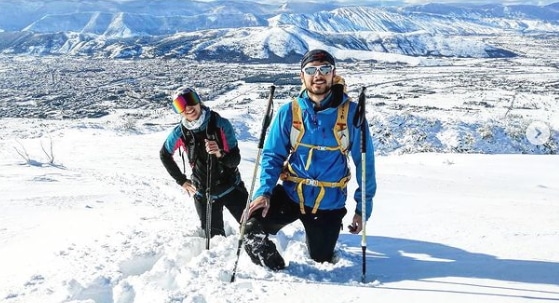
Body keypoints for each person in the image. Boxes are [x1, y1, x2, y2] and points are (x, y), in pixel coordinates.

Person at [243, 49, 377, 270]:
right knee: (250, 229)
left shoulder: (351, 114)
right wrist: (263, 192)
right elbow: (272, 156)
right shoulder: (290, 112)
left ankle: (319, 238)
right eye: (311, 70)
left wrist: (363, 210)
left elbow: (365, 164)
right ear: (301, 76)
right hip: (291, 195)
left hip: (329, 203)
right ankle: (277, 270)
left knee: (321, 259)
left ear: (334, 74)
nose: (318, 75)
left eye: (325, 69)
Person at [160, 87, 248, 237]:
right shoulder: (180, 133)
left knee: (253, 227)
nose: (188, 108)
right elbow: (165, 154)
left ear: (199, 101)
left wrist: (220, 153)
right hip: (204, 194)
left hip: (231, 187)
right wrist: (181, 181)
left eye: (191, 100)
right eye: (181, 105)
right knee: (214, 239)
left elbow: (235, 160)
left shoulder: (221, 124)